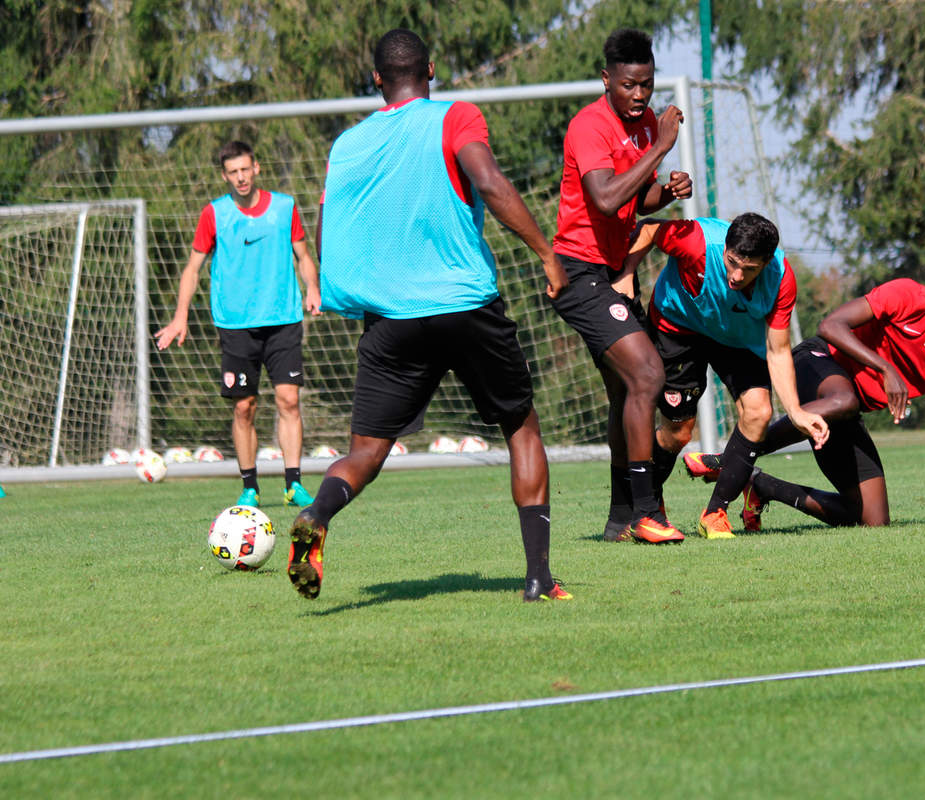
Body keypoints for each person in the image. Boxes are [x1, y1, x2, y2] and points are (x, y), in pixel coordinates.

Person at [286, 28, 571, 603]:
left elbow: (328, 232)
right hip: (466, 306)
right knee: (521, 427)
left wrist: (352, 293)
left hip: (392, 320)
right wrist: (546, 252)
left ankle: (317, 514)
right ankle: (538, 578)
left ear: (376, 80)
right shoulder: (455, 117)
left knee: (366, 452)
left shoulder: (347, 145)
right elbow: (488, 182)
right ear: (432, 70)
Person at [684, 260, 925, 529]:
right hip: (817, 361)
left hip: (843, 411)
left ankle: (762, 486)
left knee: (873, 520)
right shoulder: (908, 295)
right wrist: (887, 369)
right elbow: (830, 325)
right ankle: (727, 459)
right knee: (844, 400)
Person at [551, 28, 694, 545]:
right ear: (607, 78)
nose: (640, 95)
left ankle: (619, 520)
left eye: (648, 85)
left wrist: (666, 191)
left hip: (608, 273)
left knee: (625, 391)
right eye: (630, 85)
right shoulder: (589, 125)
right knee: (648, 375)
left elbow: (637, 200)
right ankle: (645, 511)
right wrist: (659, 149)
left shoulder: (646, 123)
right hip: (576, 271)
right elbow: (607, 199)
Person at [621, 213, 829, 539]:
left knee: (760, 412)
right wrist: (626, 273)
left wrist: (797, 412)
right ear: (726, 248)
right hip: (680, 325)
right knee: (678, 433)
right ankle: (649, 505)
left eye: (749, 269)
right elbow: (648, 228)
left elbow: (777, 350)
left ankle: (715, 512)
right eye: (732, 262)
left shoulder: (781, 279)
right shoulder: (697, 243)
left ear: (766, 262)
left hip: (735, 338)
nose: (736, 275)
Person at [156, 140, 321, 509]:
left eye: (246, 169)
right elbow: (192, 268)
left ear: (256, 168)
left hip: (283, 319)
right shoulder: (214, 214)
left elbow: (304, 256)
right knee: (244, 407)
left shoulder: (284, 207)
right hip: (235, 324)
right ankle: (250, 486)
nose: (241, 177)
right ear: (225, 175)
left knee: (288, 400)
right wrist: (180, 316)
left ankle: (293, 484)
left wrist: (312, 286)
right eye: (233, 172)